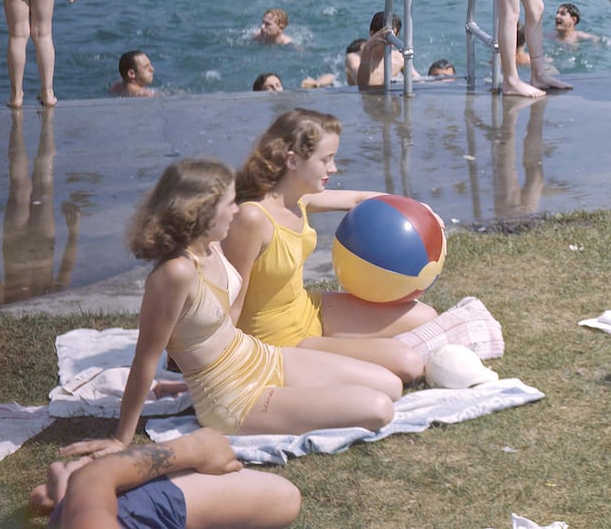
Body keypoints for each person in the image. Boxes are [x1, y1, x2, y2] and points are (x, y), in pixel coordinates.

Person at [99, 160, 401, 456]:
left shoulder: (212, 245)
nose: (237, 210)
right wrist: (121, 439)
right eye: (230, 204)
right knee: (379, 408)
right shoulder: (174, 274)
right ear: (201, 210)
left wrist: (180, 384)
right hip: (233, 399)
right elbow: (145, 359)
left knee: (391, 386)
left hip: (259, 356)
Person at [225, 109, 501, 383]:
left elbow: (358, 199)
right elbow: (230, 303)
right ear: (293, 160)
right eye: (326, 160)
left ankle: (341, 350)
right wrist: (222, 365)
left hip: (307, 309)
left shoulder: (299, 199)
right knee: (408, 365)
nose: (333, 168)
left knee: (425, 316)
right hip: (277, 341)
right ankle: (329, 356)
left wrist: (417, 210)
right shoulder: (252, 218)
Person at [30, 428, 300, 529]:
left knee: (283, 497)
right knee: (285, 499)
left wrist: (193, 449)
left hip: (120, 508)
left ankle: (68, 497)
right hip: (141, 511)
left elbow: (92, 479)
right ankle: (65, 495)